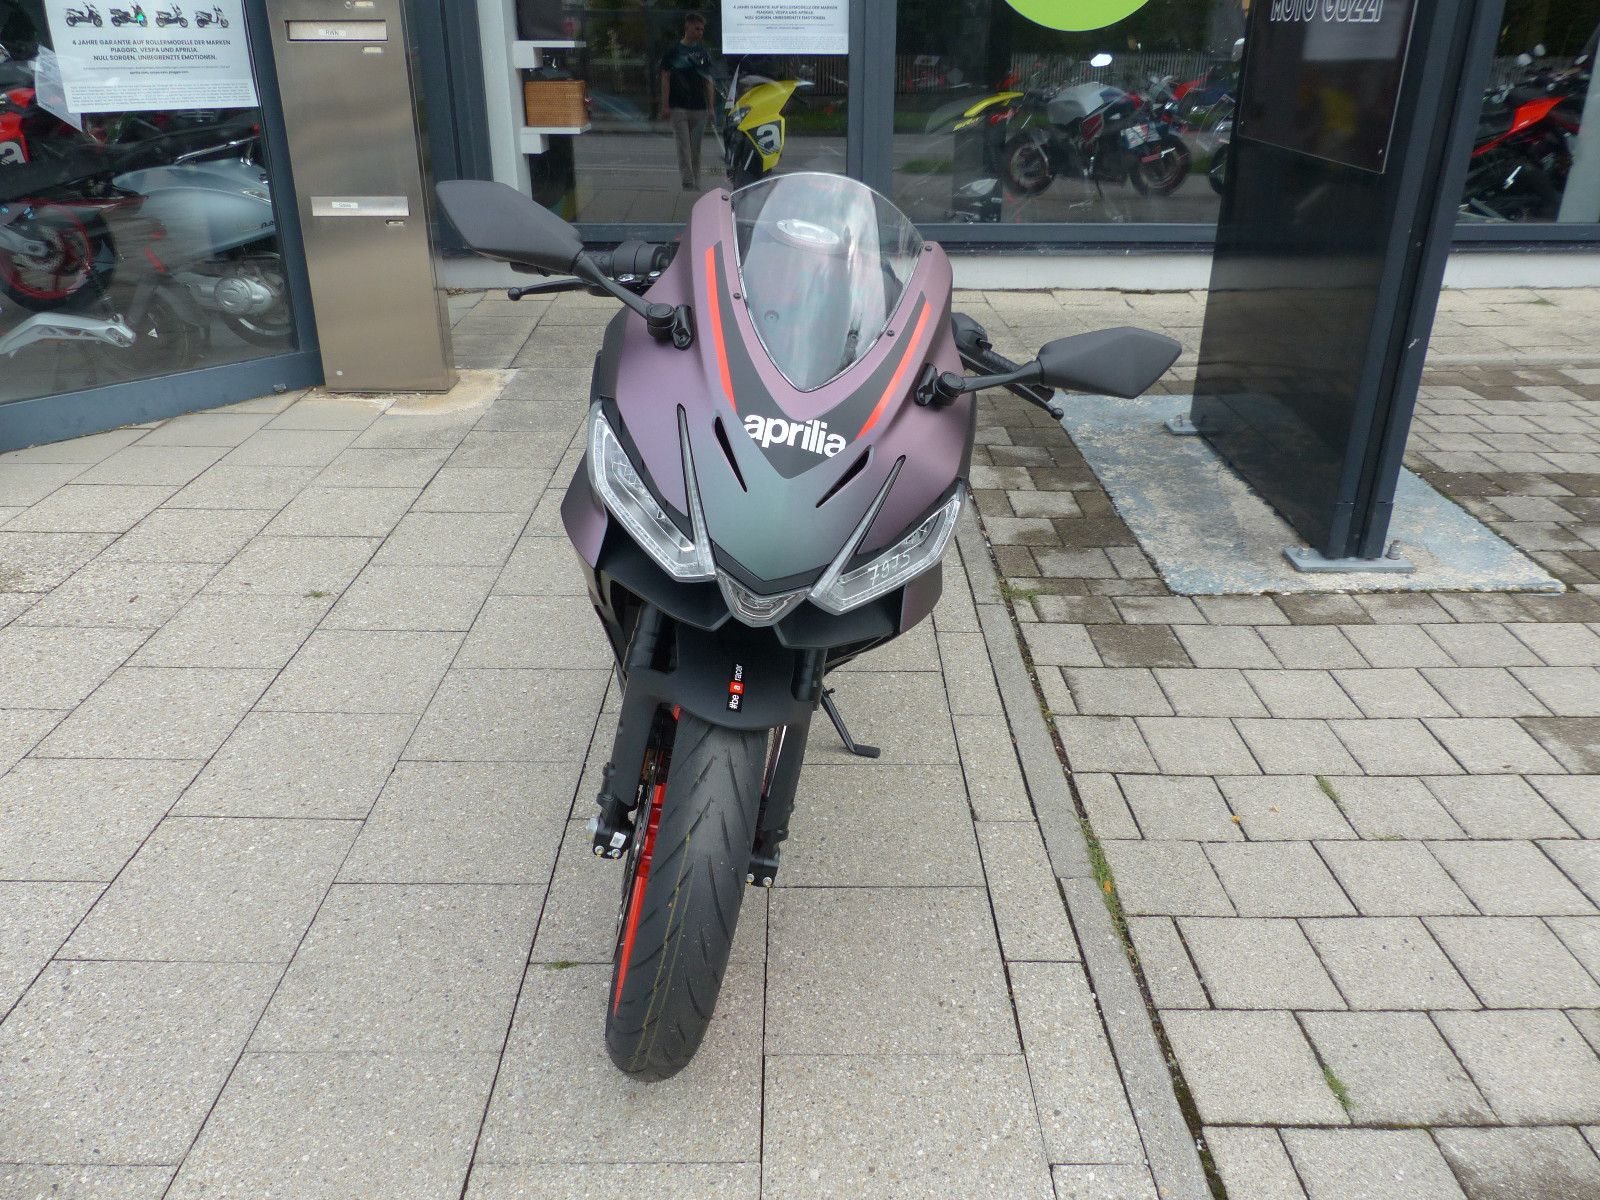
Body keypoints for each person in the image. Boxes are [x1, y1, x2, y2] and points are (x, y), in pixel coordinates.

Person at [660, 12, 715, 191]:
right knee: (683, 146)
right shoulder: (673, 52)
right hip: (678, 106)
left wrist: (711, 107)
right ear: (687, 27)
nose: (700, 32)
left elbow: (708, 82)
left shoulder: (703, 53)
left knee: (695, 147)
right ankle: (687, 180)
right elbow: (665, 79)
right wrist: (665, 105)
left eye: (702, 30)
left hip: (699, 107)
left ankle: (696, 178)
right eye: (697, 28)